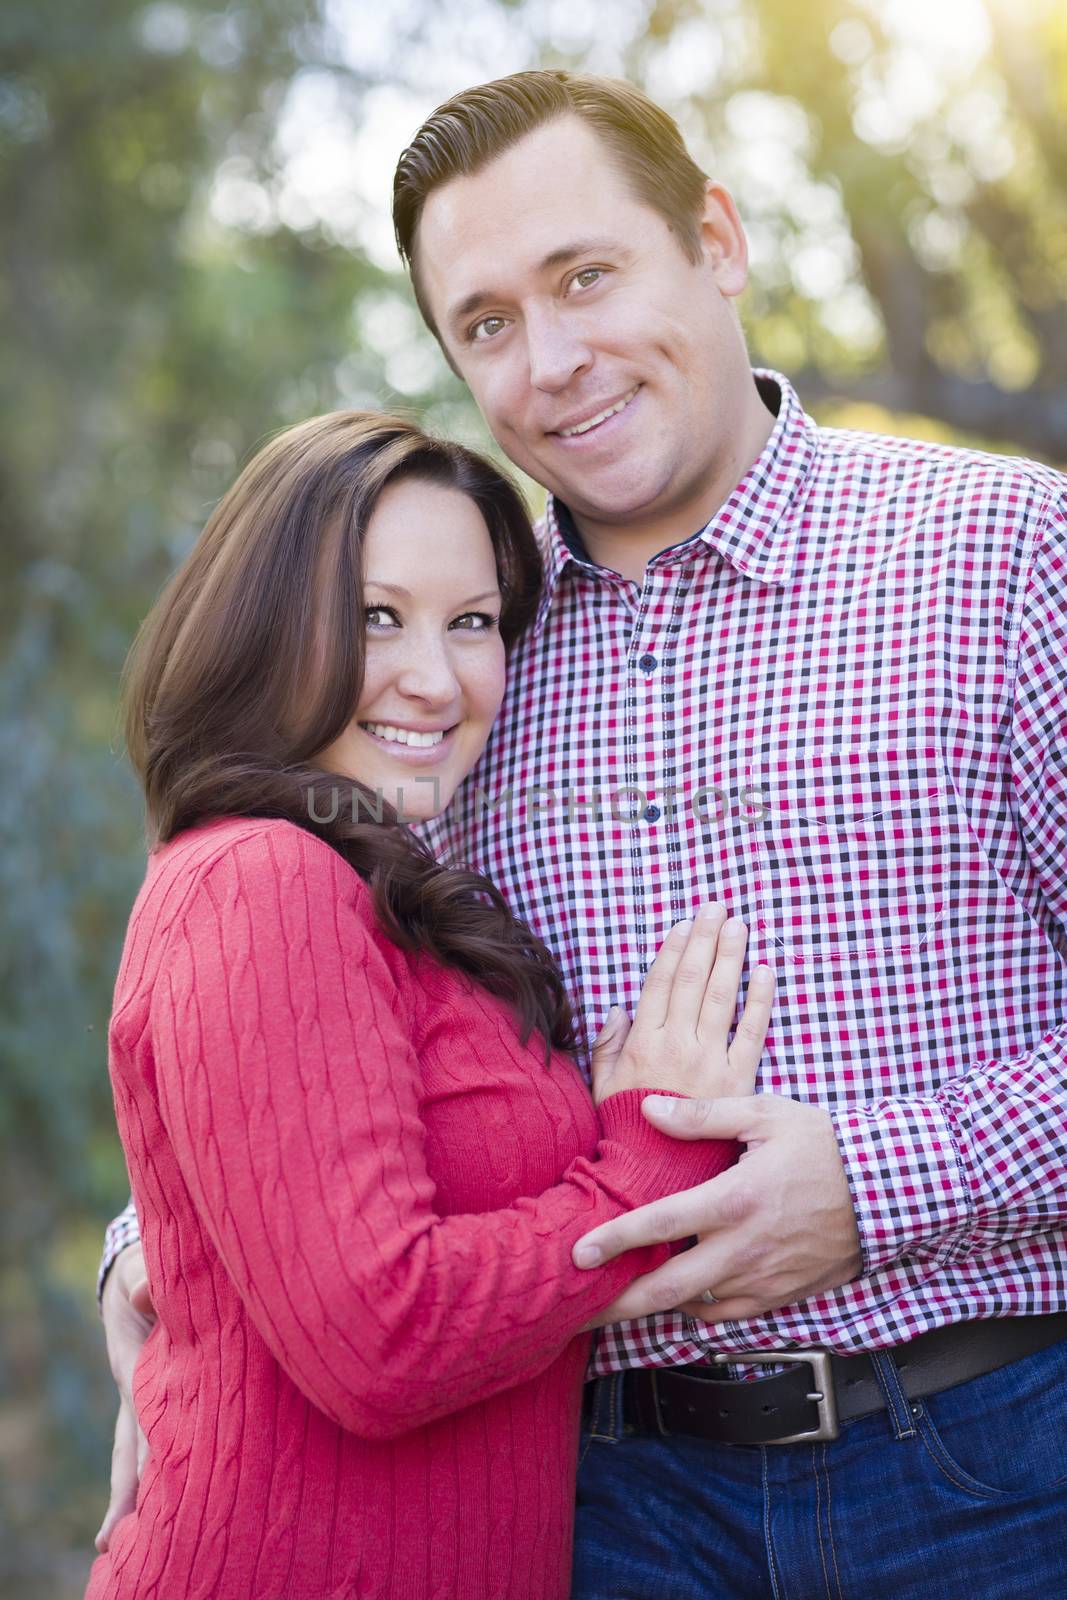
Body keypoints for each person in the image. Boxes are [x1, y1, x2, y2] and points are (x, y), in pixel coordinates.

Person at [99, 70, 1067, 1597]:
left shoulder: (1004, 554)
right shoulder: (447, 666)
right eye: (485, 323)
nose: (550, 361)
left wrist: (879, 1185)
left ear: (717, 241)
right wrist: (149, 1248)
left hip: (989, 1455)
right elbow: (306, 1036)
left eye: (585, 277)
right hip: (597, 1505)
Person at [86, 408, 775, 1599]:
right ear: (261, 624)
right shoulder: (261, 877)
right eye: (374, 617)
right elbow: (378, 1336)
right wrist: (637, 1176)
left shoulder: (378, 883)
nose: (435, 679)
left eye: (472, 624)